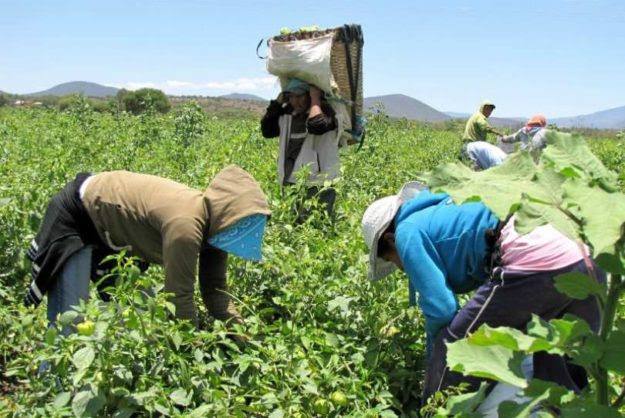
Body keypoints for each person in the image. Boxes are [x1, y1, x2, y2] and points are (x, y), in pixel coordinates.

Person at [361, 183, 604, 405]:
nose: (399, 267)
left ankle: (435, 410)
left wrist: (434, 357)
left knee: (457, 346)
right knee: (560, 367)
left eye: (391, 259)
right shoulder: (442, 207)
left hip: (536, 259)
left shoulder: (407, 232)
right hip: (586, 251)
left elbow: (441, 309)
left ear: (390, 239)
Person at [24, 165, 271, 336]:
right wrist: (190, 351)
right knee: (68, 320)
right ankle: (55, 390)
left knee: (132, 308)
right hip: (78, 212)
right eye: (241, 223)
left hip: (109, 226)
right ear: (226, 212)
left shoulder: (216, 230)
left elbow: (215, 291)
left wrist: (241, 332)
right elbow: (179, 297)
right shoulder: (185, 225)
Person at [261, 78, 340, 218]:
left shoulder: (327, 111)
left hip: (319, 183)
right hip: (291, 180)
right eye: (291, 96)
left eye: (300, 96)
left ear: (309, 95)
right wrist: (278, 102)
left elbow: (317, 125)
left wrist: (315, 100)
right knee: (294, 223)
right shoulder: (287, 114)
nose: (295, 101)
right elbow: (267, 130)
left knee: (317, 225)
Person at [461, 100, 507, 170]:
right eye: (488, 109)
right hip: (472, 146)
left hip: (471, 145)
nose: (490, 112)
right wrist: (500, 134)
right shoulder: (479, 116)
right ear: (483, 108)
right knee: (474, 169)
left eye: (491, 111)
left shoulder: (477, 116)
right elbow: (485, 126)